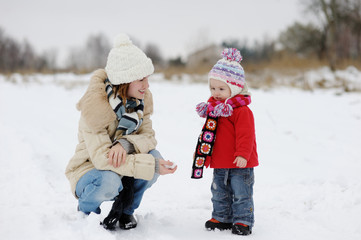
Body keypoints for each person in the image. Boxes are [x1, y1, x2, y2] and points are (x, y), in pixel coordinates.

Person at [65, 33, 177, 230]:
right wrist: (150, 165)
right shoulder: (94, 109)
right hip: (90, 170)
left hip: (122, 168)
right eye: (141, 79)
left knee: (154, 157)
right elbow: (102, 159)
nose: (147, 85)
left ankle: (126, 210)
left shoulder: (139, 103)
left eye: (147, 78)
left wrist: (125, 144)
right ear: (124, 81)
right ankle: (87, 213)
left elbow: (148, 137)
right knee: (110, 180)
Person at [191, 48, 259, 236]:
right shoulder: (214, 109)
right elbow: (210, 135)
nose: (216, 93)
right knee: (219, 191)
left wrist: (243, 155)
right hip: (220, 161)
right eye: (213, 88)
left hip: (240, 162)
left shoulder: (241, 111)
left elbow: (246, 135)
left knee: (241, 192)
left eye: (221, 89)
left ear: (235, 87)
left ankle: (243, 220)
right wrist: (206, 154)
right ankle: (221, 217)